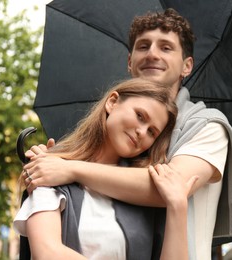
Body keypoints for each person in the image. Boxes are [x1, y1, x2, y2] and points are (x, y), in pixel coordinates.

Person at [22, 8, 232, 260]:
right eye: (143, 46)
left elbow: (168, 190)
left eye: (166, 48)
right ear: (129, 62)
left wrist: (69, 168)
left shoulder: (207, 126)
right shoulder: (117, 146)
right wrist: (54, 162)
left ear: (187, 65)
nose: (152, 54)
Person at [14, 78, 198, 259]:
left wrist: (177, 206)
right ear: (112, 102)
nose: (142, 132)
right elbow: (47, 253)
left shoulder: (148, 194)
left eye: (152, 132)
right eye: (140, 116)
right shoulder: (50, 170)